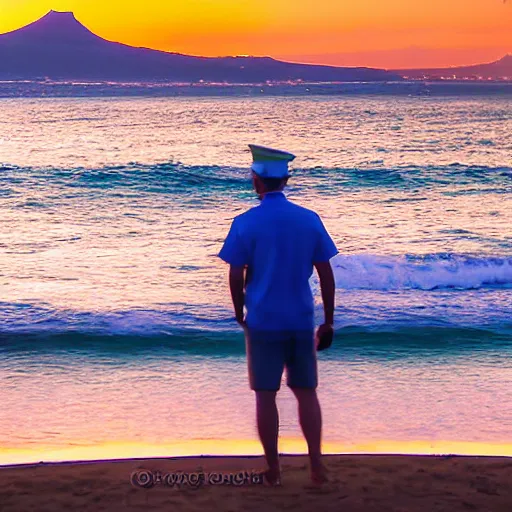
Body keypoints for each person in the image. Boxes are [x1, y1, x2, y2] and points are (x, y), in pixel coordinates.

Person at [218, 144, 338, 485]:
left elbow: (235, 273)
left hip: (263, 319)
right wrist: (327, 320)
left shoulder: (245, 223)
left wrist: (240, 311)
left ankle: (273, 469)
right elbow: (325, 273)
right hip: (300, 319)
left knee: (266, 396)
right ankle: (316, 465)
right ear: (286, 180)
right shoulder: (308, 219)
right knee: (306, 392)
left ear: (256, 181)